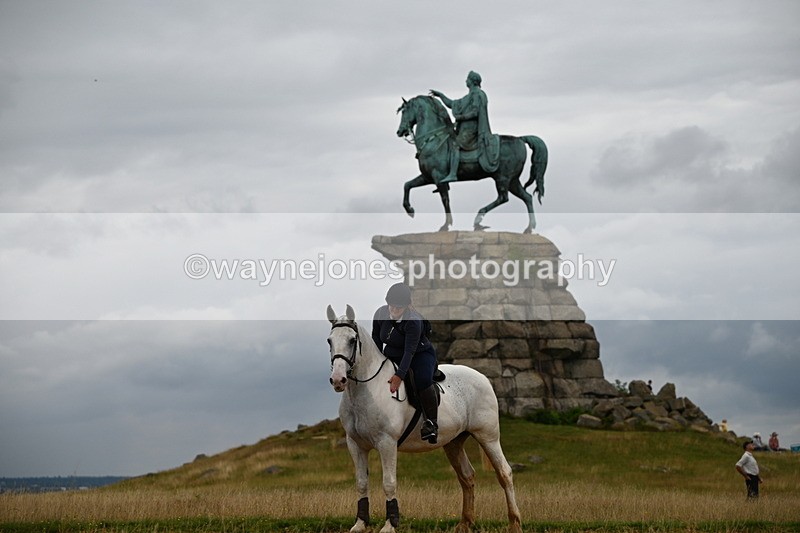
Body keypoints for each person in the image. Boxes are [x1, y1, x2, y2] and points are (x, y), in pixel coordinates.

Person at [372, 282, 439, 444]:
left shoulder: (413, 321)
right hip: (393, 353)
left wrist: (399, 376)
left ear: (407, 306)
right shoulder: (380, 313)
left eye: (399, 308)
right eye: (392, 306)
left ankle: (431, 423)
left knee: (422, 380)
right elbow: (376, 341)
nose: (394, 311)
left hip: (419, 355)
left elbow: (409, 352)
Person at [429, 70, 500, 186]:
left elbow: (475, 112)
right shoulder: (469, 96)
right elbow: (452, 104)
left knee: (455, 145)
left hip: (471, 130)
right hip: (464, 129)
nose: (466, 81)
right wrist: (440, 95)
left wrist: (461, 117)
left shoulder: (477, 94)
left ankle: (453, 173)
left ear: (472, 81)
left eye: (467, 79)